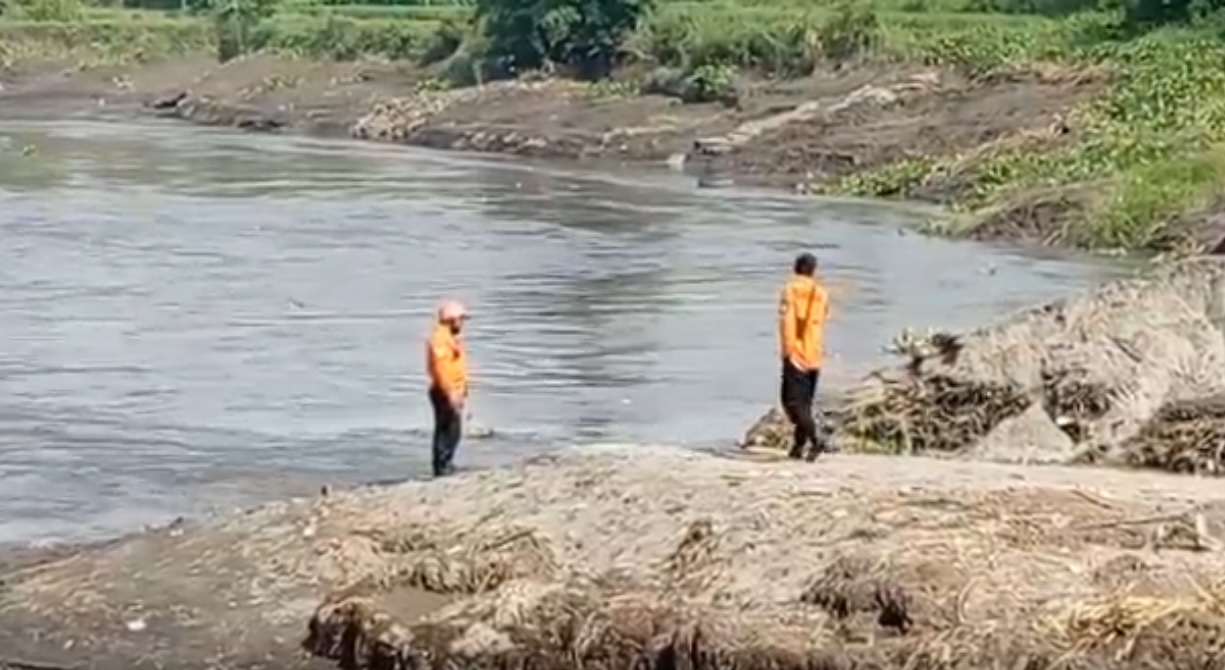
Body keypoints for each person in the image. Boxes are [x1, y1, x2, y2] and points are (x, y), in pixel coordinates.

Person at [777, 252, 830, 461]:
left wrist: (788, 352)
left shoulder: (790, 290)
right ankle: (797, 447)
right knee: (805, 403)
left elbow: (787, 321)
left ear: (795, 268)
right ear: (813, 270)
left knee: (791, 403)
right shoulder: (822, 292)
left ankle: (816, 440)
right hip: (815, 353)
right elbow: (823, 318)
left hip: (796, 352)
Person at [426, 300, 469, 477]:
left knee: (453, 430)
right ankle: (442, 467)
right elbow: (441, 368)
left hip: (452, 389)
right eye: (461, 319)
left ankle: (446, 464)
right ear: (452, 319)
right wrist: (450, 392)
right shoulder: (440, 340)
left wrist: (463, 389)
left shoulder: (449, 338)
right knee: (447, 431)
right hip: (444, 391)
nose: (463, 323)